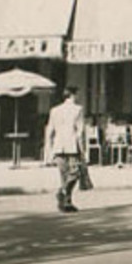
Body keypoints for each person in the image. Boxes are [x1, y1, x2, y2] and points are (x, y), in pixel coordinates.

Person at [44, 86, 86, 214]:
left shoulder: (54, 110)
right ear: (73, 95)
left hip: (58, 146)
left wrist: (48, 149)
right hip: (72, 146)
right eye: (77, 94)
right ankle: (63, 193)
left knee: (64, 174)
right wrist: (83, 151)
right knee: (75, 172)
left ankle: (66, 203)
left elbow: (49, 130)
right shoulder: (78, 109)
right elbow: (80, 132)